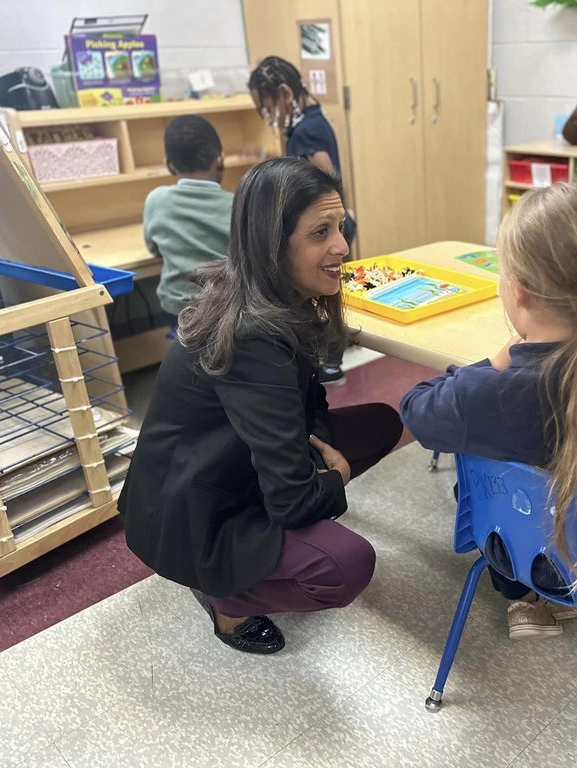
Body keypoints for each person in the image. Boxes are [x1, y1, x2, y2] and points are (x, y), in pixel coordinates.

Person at [120, 157, 403, 655]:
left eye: (340, 226)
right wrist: (332, 480)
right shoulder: (253, 334)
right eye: (320, 232)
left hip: (227, 466)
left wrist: (314, 465)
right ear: (273, 244)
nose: (342, 246)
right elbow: (292, 501)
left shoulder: (263, 294)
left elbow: (305, 404)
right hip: (192, 511)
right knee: (345, 565)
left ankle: (267, 547)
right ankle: (227, 599)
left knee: (382, 422)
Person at [400, 178, 577, 639]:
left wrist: (497, 358)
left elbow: (414, 409)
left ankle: (520, 597)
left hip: (523, 558)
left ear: (519, 290)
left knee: (482, 490)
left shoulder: (482, 393)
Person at [249, 56, 353, 384]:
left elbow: (323, 176)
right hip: (331, 222)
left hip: (323, 225)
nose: (268, 117)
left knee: (328, 293)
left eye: (267, 108)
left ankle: (331, 364)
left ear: (285, 94)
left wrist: (327, 223)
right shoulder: (312, 118)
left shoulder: (306, 130)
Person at [143, 115, 233, 332]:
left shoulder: (157, 200)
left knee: (189, 351)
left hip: (179, 311)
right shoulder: (238, 204)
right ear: (220, 160)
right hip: (228, 309)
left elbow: (153, 249)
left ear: (169, 165)